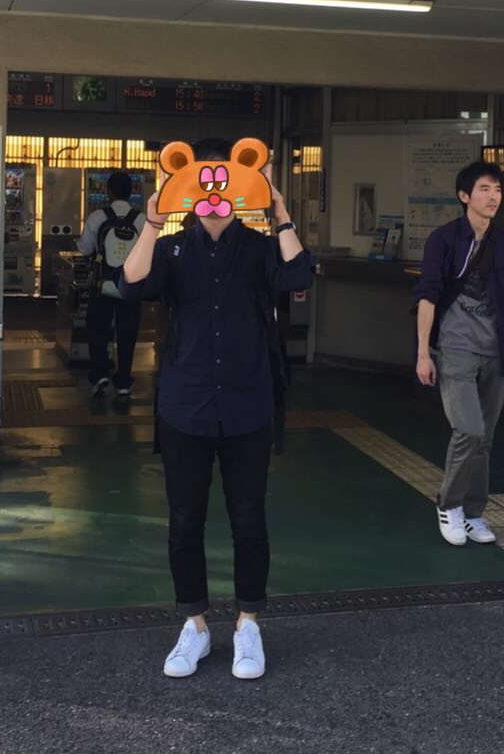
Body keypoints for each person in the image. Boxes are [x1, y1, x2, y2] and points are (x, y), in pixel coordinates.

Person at [116, 138, 312, 681]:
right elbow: (130, 283)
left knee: (250, 519)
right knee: (185, 521)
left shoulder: (258, 248)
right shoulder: (174, 249)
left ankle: (248, 624)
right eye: (203, 187)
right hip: (186, 405)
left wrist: (280, 210)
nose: (214, 199)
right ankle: (195, 626)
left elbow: (298, 277)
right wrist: (152, 222)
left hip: (249, 404)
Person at [412, 160, 504, 547]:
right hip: (455, 349)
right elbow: (427, 296)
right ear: (464, 196)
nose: (493, 197)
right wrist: (423, 353)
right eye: (484, 189)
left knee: (485, 439)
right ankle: (449, 504)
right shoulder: (444, 240)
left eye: (497, 190)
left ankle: (473, 513)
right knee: (468, 430)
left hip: (497, 351)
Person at [77, 171, 144, 399]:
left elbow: (85, 249)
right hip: (131, 285)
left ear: (109, 191)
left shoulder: (98, 217)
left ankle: (100, 374)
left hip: (102, 284)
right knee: (128, 332)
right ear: (132, 192)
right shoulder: (141, 220)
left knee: (97, 329)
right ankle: (123, 381)